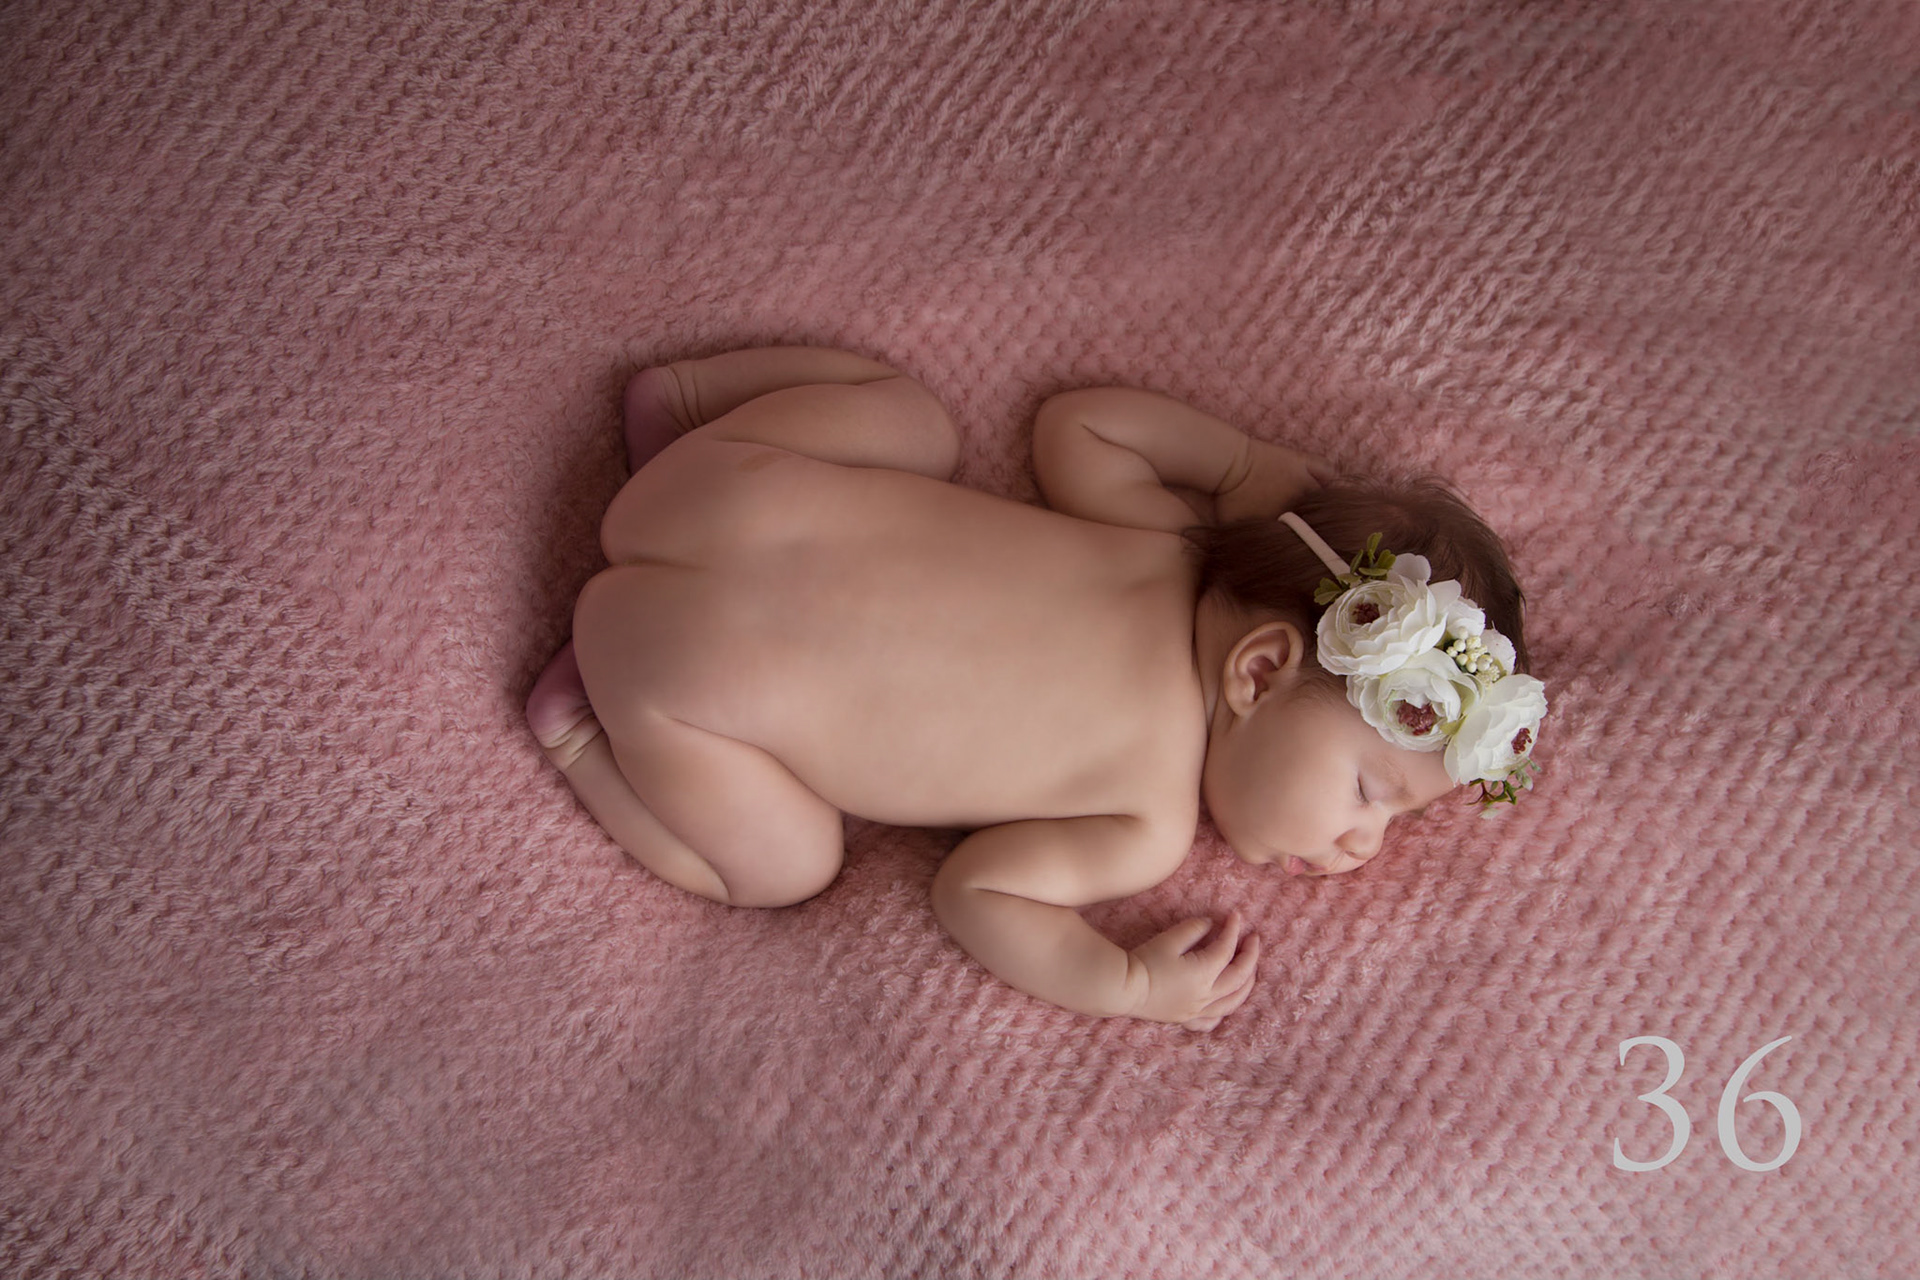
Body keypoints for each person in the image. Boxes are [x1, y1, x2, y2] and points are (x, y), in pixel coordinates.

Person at [526, 347, 1546, 1030]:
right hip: (666, 676)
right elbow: (974, 893)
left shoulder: (1162, 544)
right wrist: (1127, 982)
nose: (1365, 846)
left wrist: (1245, 465)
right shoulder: (1142, 819)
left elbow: (1082, 425)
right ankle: (578, 730)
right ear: (1261, 669)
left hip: (714, 485)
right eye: (1368, 792)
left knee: (916, 419)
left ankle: (684, 407)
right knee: (787, 867)